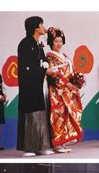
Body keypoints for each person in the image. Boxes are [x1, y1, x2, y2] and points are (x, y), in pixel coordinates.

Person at [17, 16, 53, 157]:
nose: (44, 27)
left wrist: (47, 68)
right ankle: (29, 148)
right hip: (29, 86)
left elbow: (43, 61)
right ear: (36, 27)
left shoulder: (38, 45)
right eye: (42, 24)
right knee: (31, 116)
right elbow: (27, 67)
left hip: (39, 84)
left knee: (41, 115)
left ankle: (42, 146)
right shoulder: (25, 44)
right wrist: (44, 69)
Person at [46, 27, 83, 152]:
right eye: (56, 41)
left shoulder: (65, 56)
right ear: (51, 42)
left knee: (67, 114)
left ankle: (64, 141)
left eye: (60, 41)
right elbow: (54, 74)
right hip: (58, 90)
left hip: (68, 89)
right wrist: (67, 84)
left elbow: (71, 71)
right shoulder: (50, 57)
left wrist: (75, 82)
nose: (58, 44)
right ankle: (57, 143)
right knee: (58, 115)